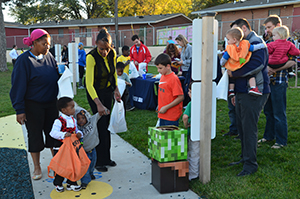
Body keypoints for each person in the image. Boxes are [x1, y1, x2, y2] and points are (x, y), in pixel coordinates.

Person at [10, 29, 59, 180]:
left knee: (54, 134)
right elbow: (18, 86)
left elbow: (54, 74)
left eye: (49, 44)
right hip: (33, 105)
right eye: (44, 44)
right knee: (35, 136)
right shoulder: (24, 61)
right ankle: (37, 167)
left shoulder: (49, 56)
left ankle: (57, 164)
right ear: (34, 43)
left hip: (51, 103)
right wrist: (20, 109)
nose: (47, 47)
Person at [227, 18, 270, 176]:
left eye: (237, 33)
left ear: (244, 28)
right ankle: (245, 158)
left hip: (254, 91)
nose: (235, 38)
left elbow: (257, 64)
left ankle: (251, 164)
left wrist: (234, 73)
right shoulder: (240, 45)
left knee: (249, 128)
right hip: (241, 92)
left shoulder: (256, 42)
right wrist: (233, 92)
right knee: (242, 127)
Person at [85, 28, 121, 172]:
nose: (104, 52)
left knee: (107, 125)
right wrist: (98, 104)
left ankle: (106, 157)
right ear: (96, 44)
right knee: (99, 127)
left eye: (107, 48)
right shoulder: (91, 57)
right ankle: (98, 161)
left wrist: (116, 88)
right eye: (101, 49)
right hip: (95, 93)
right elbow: (88, 84)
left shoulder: (112, 53)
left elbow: (113, 74)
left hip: (107, 92)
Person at [258, 15, 297, 149]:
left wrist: (274, 69)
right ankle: (269, 136)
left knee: (279, 112)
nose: (267, 30)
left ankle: (281, 141)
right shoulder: (268, 40)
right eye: (266, 28)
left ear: (278, 25)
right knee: (268, 111)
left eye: (269, 27)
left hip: (279, 81)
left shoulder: (288, 41)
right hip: (267, 82)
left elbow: (292, 61)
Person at [49, 97, 83, 192]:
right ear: (63, 110)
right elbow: (52, 133)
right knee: (62, 166)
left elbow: (76, 130)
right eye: (71, 107)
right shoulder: (58, 121)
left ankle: (71, 182)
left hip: (71, 148)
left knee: (72, 165)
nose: (74, 109)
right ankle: (58, 183)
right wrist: (63, 134)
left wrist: (79, 133)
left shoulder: (73, 120)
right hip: (60, 148)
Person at [221, 27, 266, 97]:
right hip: (242, 63)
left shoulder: (230, 48)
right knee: (250, 75)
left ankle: (231, 90)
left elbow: (224, 58)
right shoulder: (245, 44)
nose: (227, 42)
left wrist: (222, 64)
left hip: (233, 65)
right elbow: (253, 48)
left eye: (228, 39)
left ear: (234, 40)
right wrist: (262, 45)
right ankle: (253, 87)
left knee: (231, 77)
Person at [74, 106, 100, 189]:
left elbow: (99, 114)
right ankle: (85, 181)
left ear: (87, 117)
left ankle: (91, 173)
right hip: (83, 152)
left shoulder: (92, 121)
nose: (81, 120)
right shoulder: (76, 129)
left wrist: (105, 111)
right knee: (85, 168)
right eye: (78, 119)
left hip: (93, 149)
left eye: (82, 118)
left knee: (92, 164)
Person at [155, 53, 184, 126]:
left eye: (160, 68)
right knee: (163, 136)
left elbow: (180, 97)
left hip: (171, 115)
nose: (158, 70)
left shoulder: (173, 79)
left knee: (169, 136)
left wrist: (166, 107)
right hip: (162, 113)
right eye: (157, 68)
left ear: (168, 66)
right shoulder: (163, 76)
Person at [182, 81, 199, 180]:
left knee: (193, 153)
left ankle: (193, 174)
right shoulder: (206, 103)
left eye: (190, 91)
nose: (188, 93)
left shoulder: (191, 104)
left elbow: (185, 117)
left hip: (192, 132)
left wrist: (186, 125)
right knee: (197, 153)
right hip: (202, 132)